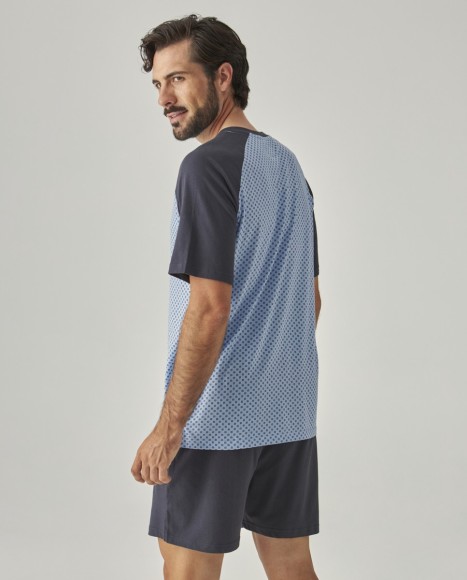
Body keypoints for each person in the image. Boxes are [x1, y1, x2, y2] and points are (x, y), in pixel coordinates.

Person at [131, 14, 322, 580]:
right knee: (292, 567)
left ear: (222, 76)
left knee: (185, 568)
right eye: (157, 84)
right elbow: (310, 299)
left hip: (212, 419)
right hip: (288, 414)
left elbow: (210, 307)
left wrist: (171, 426)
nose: (164, 98)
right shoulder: (289, 167)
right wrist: (267, 374)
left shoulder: (206, 168)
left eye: (177, 79)